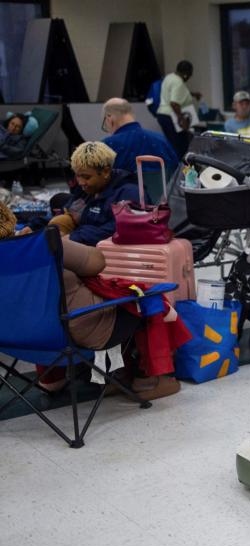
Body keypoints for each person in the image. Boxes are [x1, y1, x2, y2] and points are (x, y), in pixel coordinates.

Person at [0, 202, 180, 398]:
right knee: (148, 299)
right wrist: (59, 242)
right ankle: (157, 379)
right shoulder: (38, 244)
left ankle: (67, 379)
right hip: (76, 332)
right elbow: (96, 263)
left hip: (15, 341)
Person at [66, 142, 140, 246]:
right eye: (77, 176)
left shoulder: (129, 193)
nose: (81, 182)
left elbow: (120, 228)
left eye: (87, 177)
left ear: (106, 172)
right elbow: (66, 210)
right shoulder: (87, 189)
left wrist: (72, 238)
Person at [101, 98, 177, 173]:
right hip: (164, 185)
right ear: (131, 114)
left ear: (109, 118)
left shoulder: (107, 146)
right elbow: (176, 171)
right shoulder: (161, 140)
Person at [156, 60, 198, 159]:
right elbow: (174, 103)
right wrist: (181, 119)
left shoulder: (170, 77)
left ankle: (176, 168)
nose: (190, 77)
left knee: (172, 144)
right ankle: (182, 170)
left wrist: (192, 94)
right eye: (190, 74)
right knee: (181, 147)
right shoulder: (179, 82)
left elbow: (174, 93)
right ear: (186, 74)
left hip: (163, 115)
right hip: (172, 117)